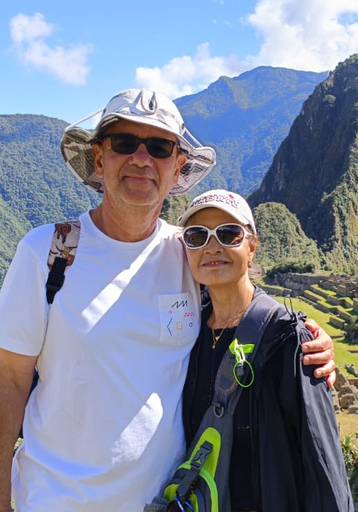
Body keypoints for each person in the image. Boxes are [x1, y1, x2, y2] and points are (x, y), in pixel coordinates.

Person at [0, 89, 336, 512]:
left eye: (159, 147)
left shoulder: (189, 252)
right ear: (100, 158)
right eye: (125, 143)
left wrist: (307, 339)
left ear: (177, 166)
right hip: (53, 500)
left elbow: (244, 304)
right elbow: (8, 381)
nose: (141, 158)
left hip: (166, 503)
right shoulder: (49, 253)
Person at [178, 190, 353, 511]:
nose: (212, 247)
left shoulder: (287, 339)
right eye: (197, 236)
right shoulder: (186, 331)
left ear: (251, 246)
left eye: (229, 234)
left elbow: (323, 464)